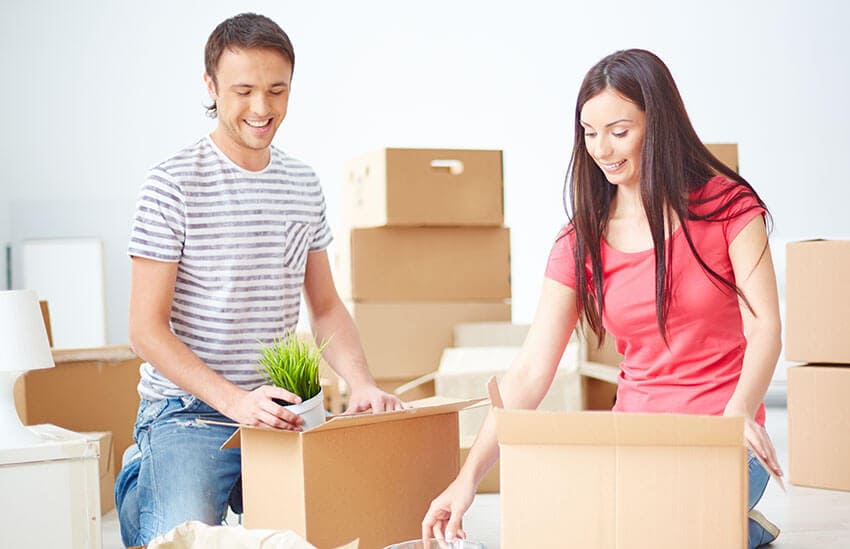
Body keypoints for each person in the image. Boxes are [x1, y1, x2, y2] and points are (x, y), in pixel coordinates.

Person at [422, 49, 783, 549]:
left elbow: (764, 327)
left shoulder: (729, 208)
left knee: (638, 528)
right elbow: (530, 372)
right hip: (634, 442)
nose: (602, 149)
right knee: (580, 519)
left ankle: (723, 526)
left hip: (725, 440)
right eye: (589, 134)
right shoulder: (581, 238)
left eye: (619, 131)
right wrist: (466, 481)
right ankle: (722, 530)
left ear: (659, 123)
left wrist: (741, 409)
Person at [114, 13, 403, 547]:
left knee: (349, 522)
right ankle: (145, 473)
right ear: (211, 86)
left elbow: (326, 307)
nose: (262, 109)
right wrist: (235, 401)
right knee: (181, 537)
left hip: (282, 412)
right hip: (188, 413)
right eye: (243, 90)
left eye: (277, 90)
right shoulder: (171, 184)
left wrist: (362, 384)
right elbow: (144, 330)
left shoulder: (302, 183)